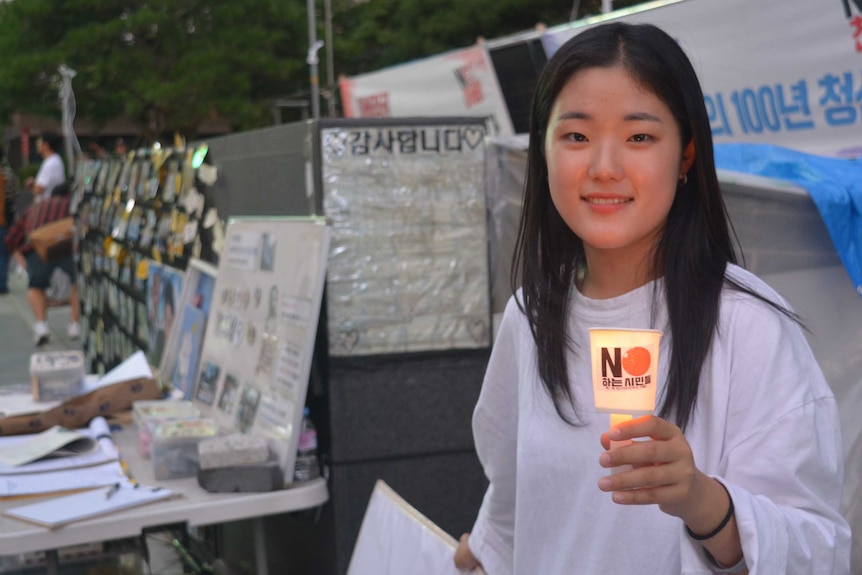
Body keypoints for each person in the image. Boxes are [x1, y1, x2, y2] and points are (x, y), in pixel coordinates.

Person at [454, 22, 850, 574]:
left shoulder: (746, 324)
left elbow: (818, 548)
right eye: (576, 136)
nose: (605, 167)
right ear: (542, 151)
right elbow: (515, 489)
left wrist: (699, 499)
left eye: (639, 137)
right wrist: (482, 553)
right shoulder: (530, 315)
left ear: (686, 156)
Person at [5, 181, 80, 345]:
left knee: (35, 286)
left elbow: (10, 239)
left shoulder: (34, 208)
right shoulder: (71, 204)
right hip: (64, 248)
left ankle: (41, 325)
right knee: (78, 282)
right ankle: (74, 324)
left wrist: (22, 262)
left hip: (38, 250)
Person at [24, 132, 66, 204]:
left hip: (47, 207)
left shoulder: (50, 163)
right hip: (53, 204)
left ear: (46, 145)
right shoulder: (56, 160)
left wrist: (31, 187)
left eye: (39, 142)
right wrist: (34, 184)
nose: (37, 144)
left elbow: (39, 189)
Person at [0, 148, 19, 295]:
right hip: (7, 217)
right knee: (3, 253)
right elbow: (15, 197)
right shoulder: (10, 175)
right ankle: (2, 284)